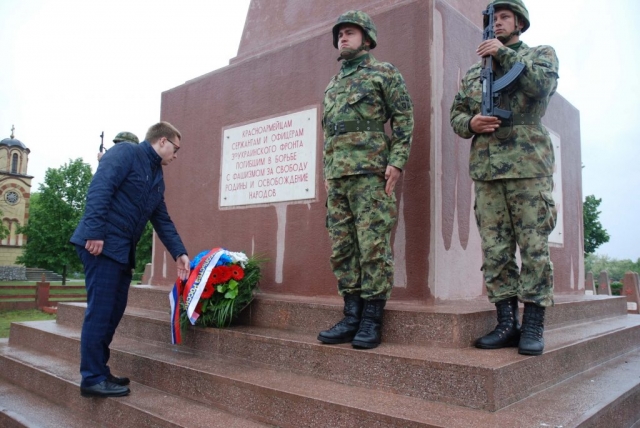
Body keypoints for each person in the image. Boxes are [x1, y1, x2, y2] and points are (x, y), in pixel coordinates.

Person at [449, 0, 559, 356]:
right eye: (493, 20)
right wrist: (471, 123)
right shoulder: (473, 72)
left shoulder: (541, 54)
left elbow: (541, 87)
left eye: (504, 18)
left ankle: (533, 323)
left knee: (533, 247)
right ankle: (506, 322)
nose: (497, 24)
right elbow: (457, 114)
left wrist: (505, 55)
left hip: (528, 166)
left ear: (520, 24)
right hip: (487, 169)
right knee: (495, 250)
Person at [71, 122, 190, 397]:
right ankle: (91, 378)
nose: (176, 154)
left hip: (122, 253)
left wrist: (179, 253)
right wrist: (95, 231)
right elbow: (100, 187)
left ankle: (99, 369)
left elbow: (161, 219)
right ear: (162, 141)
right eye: (176, 148)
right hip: (100, 247)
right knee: (100, 313)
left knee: (112, 314)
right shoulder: (126, 152)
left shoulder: (156, 175)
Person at [317, 10, 414, 350]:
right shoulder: (333, 84)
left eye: (350, 33)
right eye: (340, 33)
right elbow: (328, 133)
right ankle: (351, 315)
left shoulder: (383, 73)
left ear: (367, 39)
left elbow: (404, 119)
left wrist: (397, 162)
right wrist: (328, 174)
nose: (343, 37)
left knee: (372, 247)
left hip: (372, 173)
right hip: (339, 177)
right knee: (343, 249)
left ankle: (372, 319)